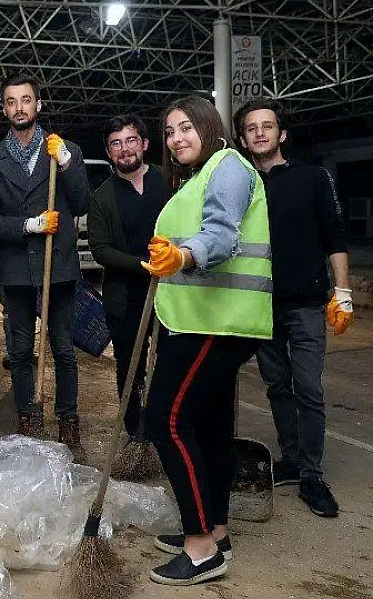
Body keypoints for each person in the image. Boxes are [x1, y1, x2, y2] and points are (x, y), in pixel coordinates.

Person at [144, 95, 272, 585]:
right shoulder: (200, 176)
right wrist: (167, 254)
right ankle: (215, 530)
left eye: (185, 127)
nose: (176, 138)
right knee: (210, 426)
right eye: (170, 131)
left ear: (208, 126)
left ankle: (200, 551)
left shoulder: (228, 165)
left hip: (216, 323)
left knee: (167, 420)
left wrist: (183, 256)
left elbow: (222, 235)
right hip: (204, 319)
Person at [235, 98, 350, 518]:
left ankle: (313, 476)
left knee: (309, 388)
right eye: (252, 128)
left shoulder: (313, 178)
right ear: (244, 138)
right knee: (277, 386)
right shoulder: (243, 186)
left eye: (267, 126)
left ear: (281, 134)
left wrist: (344, 291)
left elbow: (335, 236)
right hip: (261, 306)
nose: (260, 133)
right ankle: (290, 459)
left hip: (305, 304)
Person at [0, 75, 89, 455]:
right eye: (11, 101)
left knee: (63, 348)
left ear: (38, 105)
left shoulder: (63, 151)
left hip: (57, 267)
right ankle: (28, 414)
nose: (19, 107)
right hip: (16, 270)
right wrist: (29, 225)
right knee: (21, 350)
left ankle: (68, 420)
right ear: (4, 108)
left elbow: (83, 201)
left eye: (26, 100)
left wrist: (69, 163)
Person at [87, 114, 170, 438]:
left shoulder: (169, 181)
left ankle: (165, 424)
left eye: (131, 140)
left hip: (172, 291)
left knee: (168, 362)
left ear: (145, 144)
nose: (124, 149)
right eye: (116, 144)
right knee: (130, 366)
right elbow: (101, 250)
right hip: (125, 299)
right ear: (109, 152)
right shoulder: (102, 197)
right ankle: (135, 430)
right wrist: (143, 266)